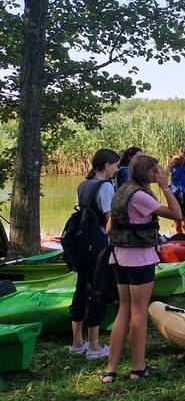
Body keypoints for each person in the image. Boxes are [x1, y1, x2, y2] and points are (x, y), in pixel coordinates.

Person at [101, 154, 182, 383]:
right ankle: (138, 368)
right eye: (156, 170)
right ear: (147, 173)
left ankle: (110, 369)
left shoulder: (121, 192)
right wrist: (165, 187)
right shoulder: (139, 196)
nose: (159, 173)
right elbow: (177, 214)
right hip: (139, 259)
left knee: (124, 310)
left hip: (118, 257)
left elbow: (108, 228)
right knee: (138, 311)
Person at [69, 148, 120, 360]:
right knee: (96, 291)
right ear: (107, 165)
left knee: (81, 288)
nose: (116, 169)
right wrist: (110, 240)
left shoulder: (83, 184)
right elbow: (110, 220)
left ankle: (77, 342)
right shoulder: (105, 186)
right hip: (97, 246)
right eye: (115, 165)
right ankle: (94, 346)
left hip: (82, 243)